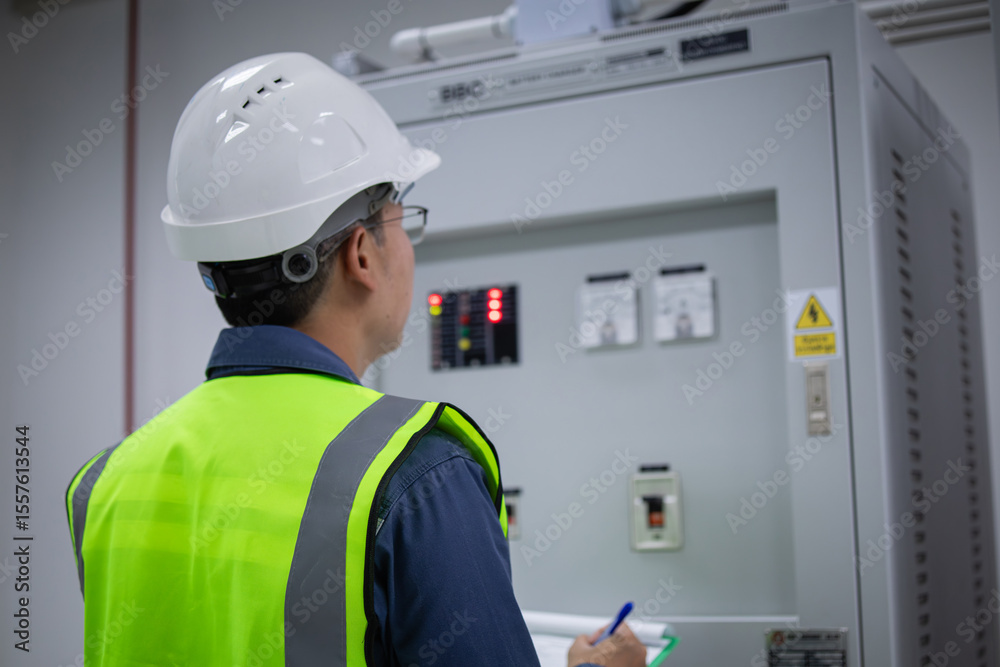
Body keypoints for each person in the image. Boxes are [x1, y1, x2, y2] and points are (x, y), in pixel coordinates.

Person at [65, 52, 647, 667]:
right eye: (403, 220)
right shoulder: (419, 474)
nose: (409, 248)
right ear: (362, 254)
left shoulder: (104, 483)